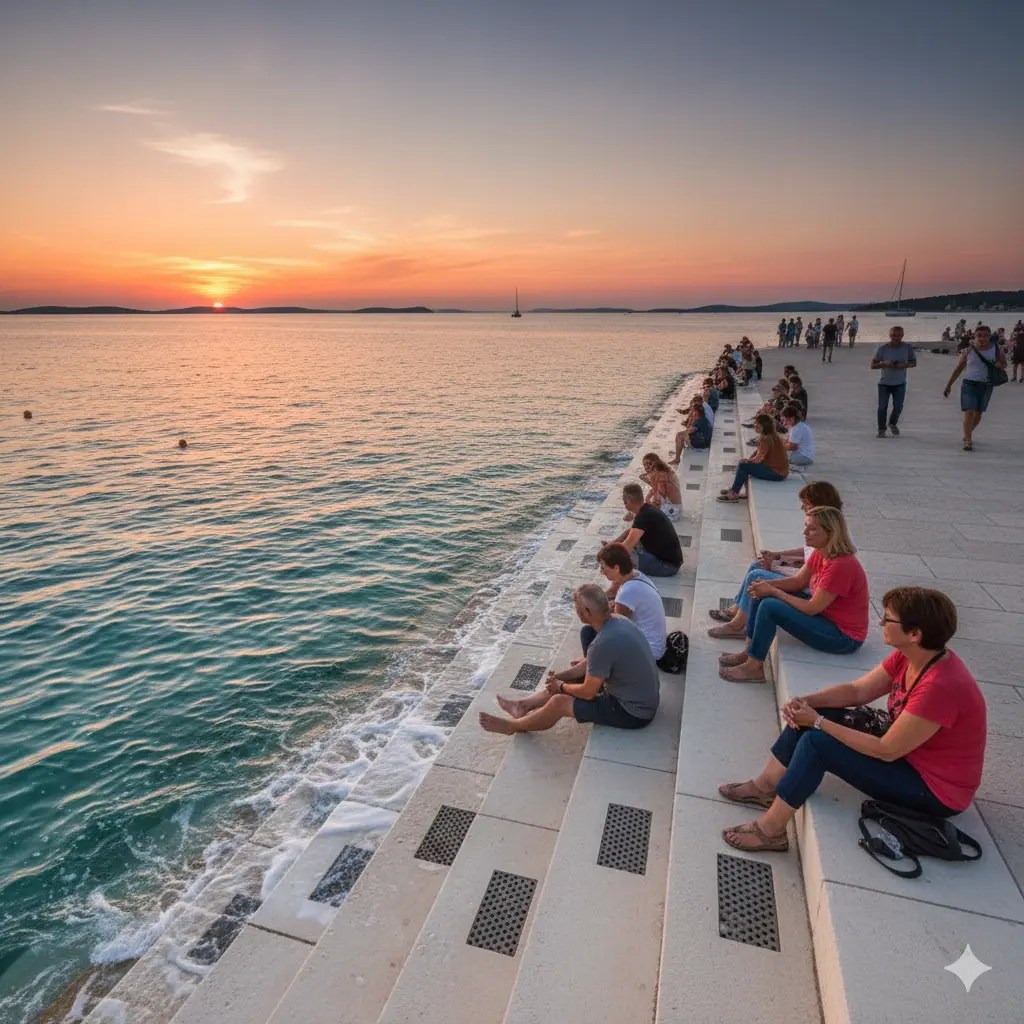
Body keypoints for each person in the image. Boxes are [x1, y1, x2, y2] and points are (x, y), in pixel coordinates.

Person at [717, 587, 986, 853]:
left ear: (915, 634)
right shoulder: (911, 656)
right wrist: (808, 702)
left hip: (933, 790)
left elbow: (886, 750)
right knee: (817, 715)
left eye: (888, 619)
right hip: (908, 756)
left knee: (817, 743)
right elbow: (858, 691)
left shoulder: (940, 687)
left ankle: (771, 831)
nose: (880, 622)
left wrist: (818, 722)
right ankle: (765, 786)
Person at [479, 584, 659, 735]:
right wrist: (560, 677)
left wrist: (561, 687)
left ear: (586, 611)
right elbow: (587, 664)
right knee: (569, 681)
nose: (576, 612)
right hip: (644, 697)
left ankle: (512, 727)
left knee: (559, 702)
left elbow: (588, 692)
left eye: (577, 608)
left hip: (633, 712)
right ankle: (523, 706)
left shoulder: (603, 644)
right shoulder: (618, 621)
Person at [716, 506, 868, 683]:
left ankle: (754, 667)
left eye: (812, 529)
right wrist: (765, 585)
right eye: (805, 526)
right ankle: (749, 653)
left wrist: (773, 591)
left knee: (770, 605)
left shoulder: (841, 565)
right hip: (825, 616)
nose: (805, 532)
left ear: (831, 532)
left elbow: (811, 608)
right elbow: (798, 582)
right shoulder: (821, 551)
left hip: (843, 637)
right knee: (762, 593)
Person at [708, 480, 843, 636]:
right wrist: (778, 555)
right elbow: (808, 553)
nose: (802, 508)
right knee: (756, 565)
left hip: (809, 587)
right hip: (806, 576)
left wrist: (776, 566)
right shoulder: (824, 525)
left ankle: (737, 625)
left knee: (757, 574)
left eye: (806, 504)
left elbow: (807, 577)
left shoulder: (830, 533)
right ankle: (738, 609)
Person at [596, 543, 669, 663]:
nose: (601, 572)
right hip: (656, 644)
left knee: (591, 632)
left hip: (649, 651)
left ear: (616, 568)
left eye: (603, 568)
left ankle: (594, 673)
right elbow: (612, 593)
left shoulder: (627, 591)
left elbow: (615, 630)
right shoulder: (634, 574)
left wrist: (604, 611)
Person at [943, 324, 1007, 451]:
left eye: (985, 336)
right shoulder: (968, 351)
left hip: (986, 385)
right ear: (974, 337)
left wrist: (998, 364)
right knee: (969, 411)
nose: (982, 338)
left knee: (978, 414)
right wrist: (948, 385)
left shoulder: (996, 349)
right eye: (979, 336)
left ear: (989, 337)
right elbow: (958, 369)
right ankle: (968, 440)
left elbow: (1004, 364)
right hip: (969, 384)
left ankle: (968, 432)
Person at [603, 483, 683, 577]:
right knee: (630, 543)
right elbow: (630, 532)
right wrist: (612, 544)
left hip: (667, 567)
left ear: (629, 501)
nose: (625, 505)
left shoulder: (643, 517)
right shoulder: (648, 509)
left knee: (625, 556)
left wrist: (606, 559)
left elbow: (627, 548)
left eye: (625, 502)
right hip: (672, 562)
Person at [718, 413, 789, 502]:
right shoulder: (771, 435)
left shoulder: (767, 439)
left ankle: (734, 493)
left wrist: (747, 462)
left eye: (756, 423)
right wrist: (748, 460)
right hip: (780, 472)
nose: (754, 425)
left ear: (762, 426)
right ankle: (734, 490)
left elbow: (757, 460)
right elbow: (757, 452)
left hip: (777, 473)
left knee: (743, 466)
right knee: (744, 464)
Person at [871, 325, 917, 438]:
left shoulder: (907, 348)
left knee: (898, 406)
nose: (897, 338)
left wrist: (904, 365)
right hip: (884, 383)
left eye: (899, 335)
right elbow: (872, 365)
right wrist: (884, 363)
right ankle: (881, 429)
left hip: (900, 383)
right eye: (894, 335)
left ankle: (892, 423)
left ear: (902, 335)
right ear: (890, 335)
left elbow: (914, 363)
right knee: (882, 407)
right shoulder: (883, 349)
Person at [639, 452, 682, 519]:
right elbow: (655, 491)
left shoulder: (660, 479)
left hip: (673, 511)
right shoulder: (664, 471)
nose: (646, 469)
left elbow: (659, 501)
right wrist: (648, 498)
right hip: (675, 507)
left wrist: (649, 505)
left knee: (644, 513)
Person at [670, 396, 712, 462]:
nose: (691, 412)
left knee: (679, 435)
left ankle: (677, 459)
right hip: (706, 440)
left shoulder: (699, 421)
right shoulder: (703, 418)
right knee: (684, 435)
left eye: (693, 411)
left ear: (697, 412)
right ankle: (680, 446)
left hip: (702, 443)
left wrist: (686, 433)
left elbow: (692, 429)